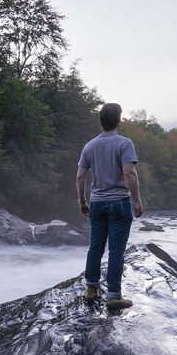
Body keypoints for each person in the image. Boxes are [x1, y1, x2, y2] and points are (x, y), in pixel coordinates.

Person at [76, 103, 143, 309]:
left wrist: (82, 201)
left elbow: (80, 177)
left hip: (96, 202)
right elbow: (129, 173)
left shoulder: (89, 146)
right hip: (119, 203)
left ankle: (91, 289)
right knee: (116, 250)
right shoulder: (124, 144)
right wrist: (137, 200)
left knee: (95, 246)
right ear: (119, 121)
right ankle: (113, 295)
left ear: (101, 122)